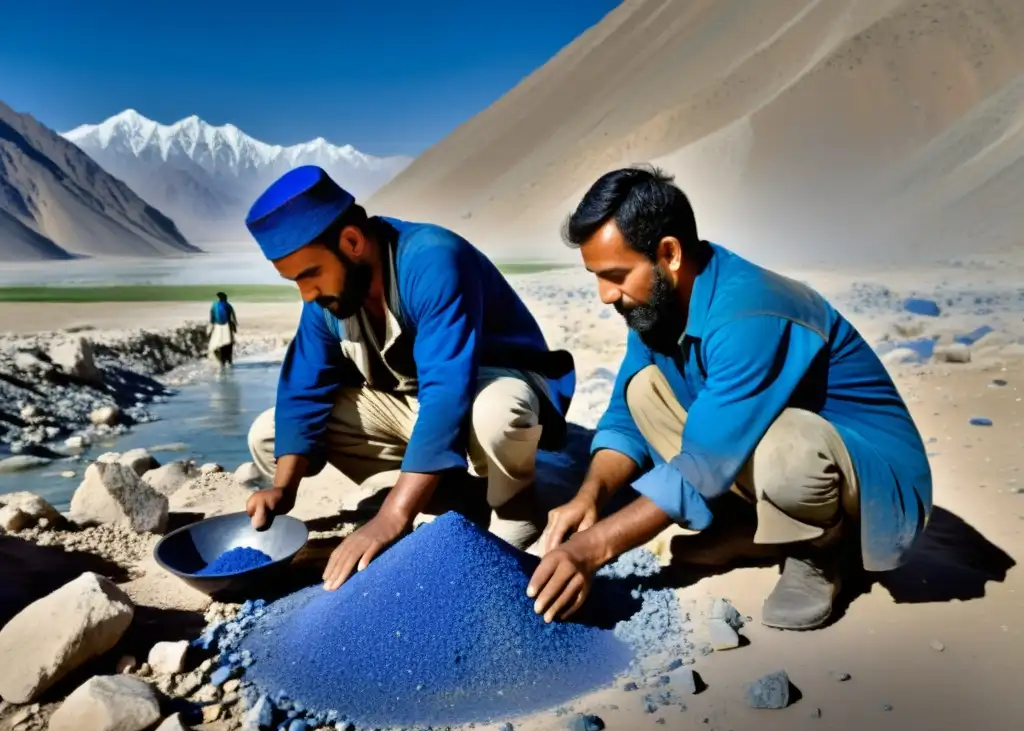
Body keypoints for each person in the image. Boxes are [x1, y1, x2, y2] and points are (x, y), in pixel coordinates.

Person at [527, 166, 932, 630]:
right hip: (761, 447)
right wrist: (590, 495)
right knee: (644, 390)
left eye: (615, 275)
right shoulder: (656, 303)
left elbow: (703, 463)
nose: (604, 295)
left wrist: (592, 548)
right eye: (596, 277)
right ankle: (752, 529)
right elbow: (625, 416)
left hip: (875, 482)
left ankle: (819, 550)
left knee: (789, 444)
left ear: (669, 254)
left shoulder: (749, 310)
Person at [242, 165, 576, 591]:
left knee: (499, 413)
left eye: (309, 275)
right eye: (294, 281)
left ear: (351, 242)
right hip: (421, 405)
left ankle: (515, 507)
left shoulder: (432, 259)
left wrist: (392, 517)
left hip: (489, 385)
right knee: (269, 434)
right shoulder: (329, 299)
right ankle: (446, 487)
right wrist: (283, 489)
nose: (306, 294)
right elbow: (303, 389)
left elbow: (445, 392)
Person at [208, 291, 238, 368]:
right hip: (227, 327)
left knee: (219, 344)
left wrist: (210, 328)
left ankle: (222, 362)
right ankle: (229, 361)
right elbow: (233, 318)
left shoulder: (214, 305)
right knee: (228, 344)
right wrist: (234, 328)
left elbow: (212, 318)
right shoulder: (228, 305)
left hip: (217, 327)